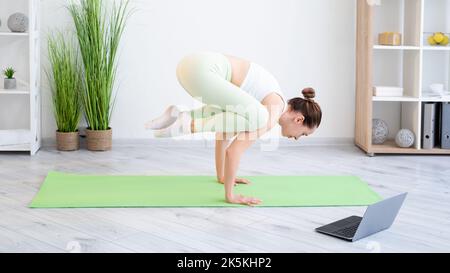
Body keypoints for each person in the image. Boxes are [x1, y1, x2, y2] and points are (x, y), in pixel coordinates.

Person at [146, 51, 322, 206]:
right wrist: (231, 196)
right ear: (299, 119)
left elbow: (224, 134)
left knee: (236, 115)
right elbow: (234, 151)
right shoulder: (271, 112)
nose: (298, 138)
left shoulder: (267, 98)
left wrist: (222, 176)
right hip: (202, 70)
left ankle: (179, 115)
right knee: (259, 117)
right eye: (304, 134)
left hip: (189, 66)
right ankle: (187, 124)